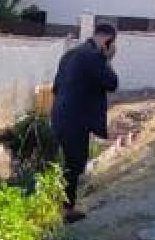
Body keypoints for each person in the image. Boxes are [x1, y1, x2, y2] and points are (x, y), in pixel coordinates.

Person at [51, 23, 119, 223]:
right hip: (77, 119)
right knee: (74, 164)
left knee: (65, 163)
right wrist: (107, 59)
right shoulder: (93, 56)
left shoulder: (70, 55)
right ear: (108, 41)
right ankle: (66, 210)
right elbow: (112, 83)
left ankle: (59, 206)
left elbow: (56, 88)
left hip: (60, 115)